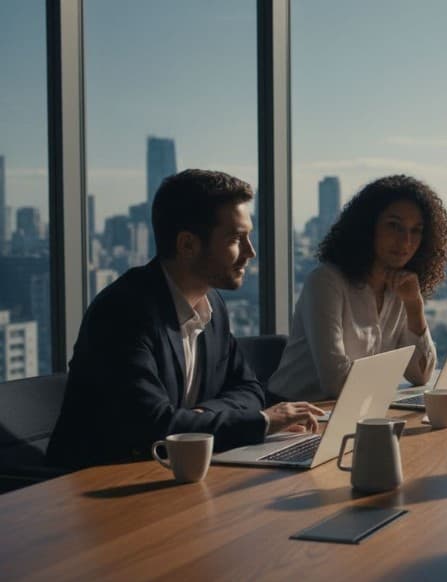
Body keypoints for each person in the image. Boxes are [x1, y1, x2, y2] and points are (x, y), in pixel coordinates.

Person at [48, 170, 322, 469]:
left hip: (177, 472)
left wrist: (201, 416)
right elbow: (153, 426)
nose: (250, 252)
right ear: (187, 244)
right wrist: (262, 422)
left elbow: (249, 390)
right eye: (236, 239)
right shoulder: (124, 312)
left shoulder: (211, 304)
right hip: (98, 487)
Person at [270, 175, 447, 402]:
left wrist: (414, 306)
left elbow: (421, 375)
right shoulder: (326, 282)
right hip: (296, 416)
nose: (406, 241)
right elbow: (336, 384)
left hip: (357, 410)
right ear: (368, 227)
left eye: (416, 230)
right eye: (394, 226)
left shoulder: (401, 289)